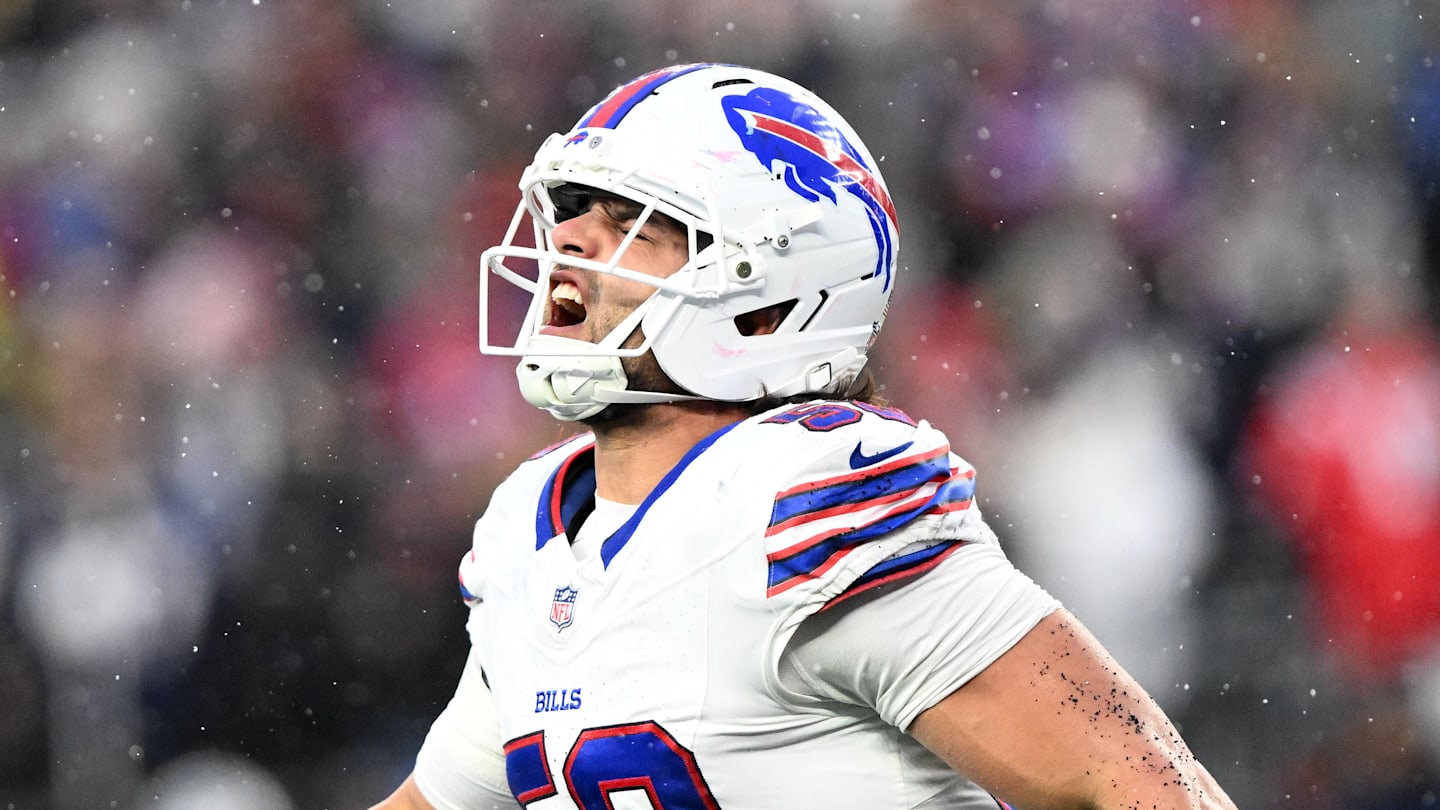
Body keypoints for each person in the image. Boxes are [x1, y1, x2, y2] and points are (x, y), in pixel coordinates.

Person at [368, 63, 1236, 810]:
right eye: (571, 207)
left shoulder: (807, 504)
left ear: (770, 296)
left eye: (631, 219)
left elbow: (1143, 782)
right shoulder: (535, 532)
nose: (567, 238)